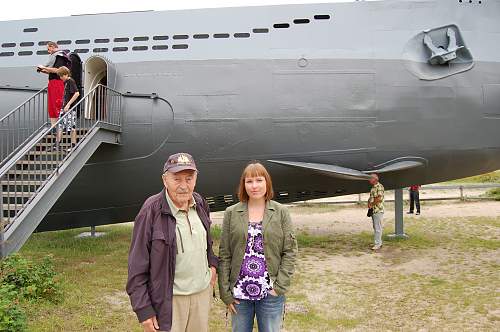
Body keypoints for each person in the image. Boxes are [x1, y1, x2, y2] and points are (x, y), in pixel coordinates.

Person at [126, 153, 218, 332]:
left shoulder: (200, 203)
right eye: (177, 179)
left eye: (189, 179)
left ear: (195, 179)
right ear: (164, 180)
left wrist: (213, 265)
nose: (184, 186)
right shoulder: (150, 211)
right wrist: (144, 310)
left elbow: (207, 243)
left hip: (201, 296)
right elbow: (136, 266)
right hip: (170, 302)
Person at [218, 162, 297, 332]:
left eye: (259, 180)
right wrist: (225, 292)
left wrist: (279, 287)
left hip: (270, 292)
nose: (254, 186)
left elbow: (290, 251)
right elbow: (225, 254)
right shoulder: (231, 212)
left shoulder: (281, 211)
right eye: (249, 181)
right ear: (243, 185)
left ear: (267, 183)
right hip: (239, 294)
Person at [36, 41, 68, 128]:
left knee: (58, 103)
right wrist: (43, 70)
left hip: (58, 82)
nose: (48, 51)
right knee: (51, 106)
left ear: (53, 46)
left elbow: (58, 71)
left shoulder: (60, 56)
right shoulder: (53, 56)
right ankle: (54, 126)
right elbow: (52, 72)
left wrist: (44, 67)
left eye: (48, 48)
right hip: (52, 82)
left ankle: (60, 126)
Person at [54, 66, 79, 152]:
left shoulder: (71, 81)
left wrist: (68, 104)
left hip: (70, 109)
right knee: (60, 126)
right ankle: (57, 145)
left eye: (61, 76)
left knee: (72, 127)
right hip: (64, 108)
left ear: (66, 74)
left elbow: (77, 93)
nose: (60, 78)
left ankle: (73, 145)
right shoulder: (65, 83)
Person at [367, 173, 384, 250]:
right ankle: (378, 242)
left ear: (375, 179)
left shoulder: (379, 187)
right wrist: (369, 202)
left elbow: (379, 198)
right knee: (376, 227)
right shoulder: (373, 187)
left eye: (370, 178)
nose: (369, 180)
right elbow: (372, 197)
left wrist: (372, 204)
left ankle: (377, 244)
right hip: (374, 210)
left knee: (377, 228)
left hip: (378, 210)